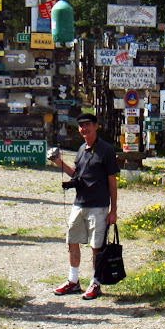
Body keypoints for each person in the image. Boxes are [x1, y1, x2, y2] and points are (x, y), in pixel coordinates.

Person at [48, 113, 119, 300]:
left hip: (99, 206)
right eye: (81, 126)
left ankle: (95, 283)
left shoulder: (106, 150)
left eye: (87, 125)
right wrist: (58, 162)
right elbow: (76, 175)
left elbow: (113, 181)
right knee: (72, 241)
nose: (84, 129)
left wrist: (114, 210)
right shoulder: (81, 149)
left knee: (96, 247)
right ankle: (73, 281)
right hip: (79, 204)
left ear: (96, 126)